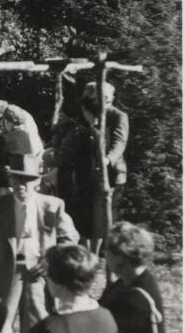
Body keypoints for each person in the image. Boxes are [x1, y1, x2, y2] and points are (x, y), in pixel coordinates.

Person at [0, 127, 79, 333]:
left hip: (38, 270)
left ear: (38, 182)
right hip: (5, 271)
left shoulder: (53, 206)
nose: (22, 186)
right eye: (16, 180)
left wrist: (51, 260)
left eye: (27, 180)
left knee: (36, 325)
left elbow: (70, 240)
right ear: (9, 180)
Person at [50, 79, 131, 242]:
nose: (102, 100)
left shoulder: (118, 116)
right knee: (88, 214)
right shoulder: (89, 112)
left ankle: (104, 251)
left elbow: (119, 142)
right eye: (97, 97)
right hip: (89, 171)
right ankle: (92, 249)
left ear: (111, 98)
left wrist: (108, 159)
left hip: (111, 172)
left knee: (105, 214)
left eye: (105, 97)